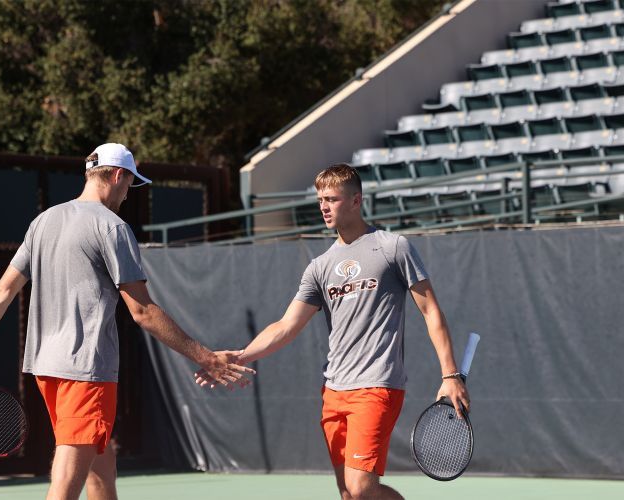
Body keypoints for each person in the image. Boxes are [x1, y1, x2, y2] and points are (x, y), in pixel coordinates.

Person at [0, 143, 254, 500]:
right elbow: (143, 312)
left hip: (47, 370)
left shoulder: (42, 221)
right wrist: (206, 357)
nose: (127, 194)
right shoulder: (113, 228)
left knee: (101, 472)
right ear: (118, 175)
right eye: (129, 184)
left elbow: (1, 292)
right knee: (66, 484)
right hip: (86, 371)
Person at [196, 164, 470, 500]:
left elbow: (431, 310)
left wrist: (450, 374)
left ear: (356, 201)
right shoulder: (320, 267)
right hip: (334, 391)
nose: (324, 206)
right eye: (320, 199)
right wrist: (238, 355)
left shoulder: (392, 247)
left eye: (332, 199)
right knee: (348, 494)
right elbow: (286, 326)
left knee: (360, 490)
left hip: (376, 386)